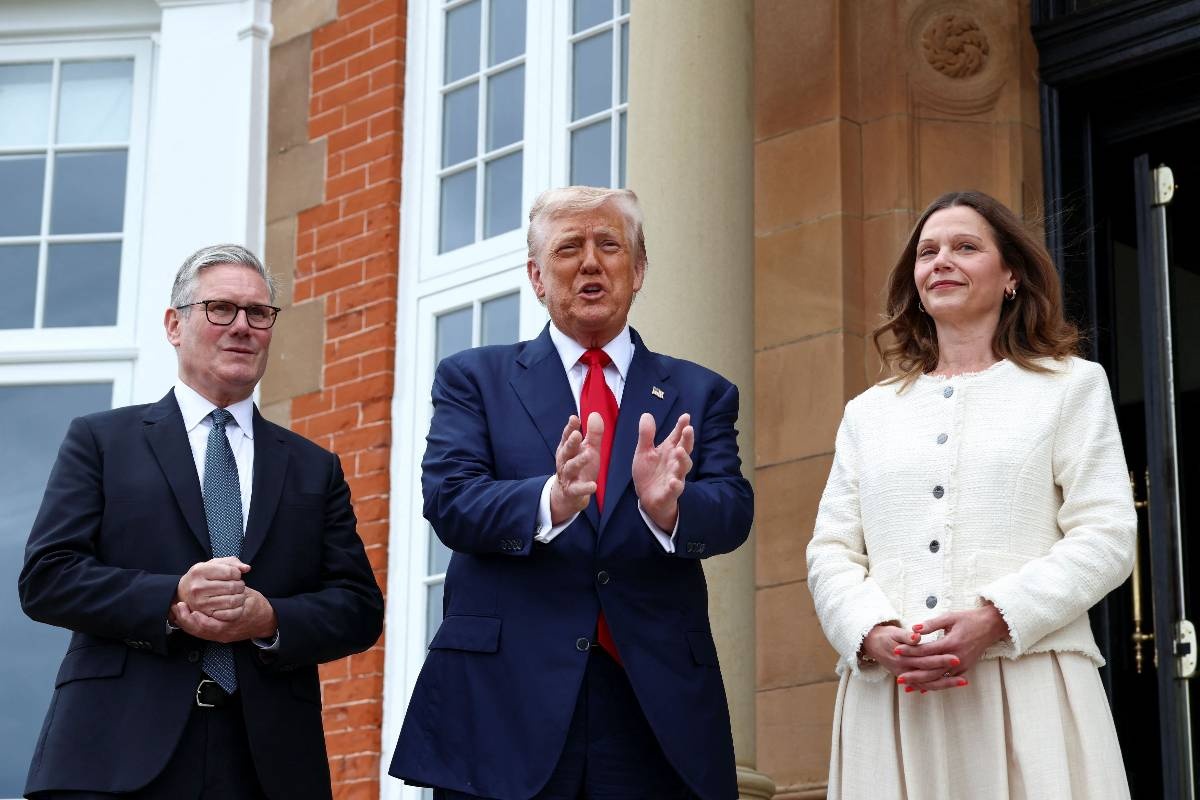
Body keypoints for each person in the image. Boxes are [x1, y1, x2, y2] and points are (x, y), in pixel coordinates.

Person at [389, 186, 753, 800]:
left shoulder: (701, 391)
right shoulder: (474, 378)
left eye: (609, 245)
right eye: (568, 249)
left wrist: (669, 509)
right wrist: (550, 501)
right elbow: (450, 499)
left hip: (652, 705)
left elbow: (733, 510)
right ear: (537, 276)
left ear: (638, 270)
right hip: (505, 705)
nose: (590, 262)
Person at [19, 244, 384, 800]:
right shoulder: (101, 440)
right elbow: (48, 577)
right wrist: (171, 598)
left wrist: (268, 618)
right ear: (175, 324)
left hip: (267, 765)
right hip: (115, 751)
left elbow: (358, 609)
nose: (242, 326)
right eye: (221, 308)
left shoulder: (314, 467)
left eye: (258, 313)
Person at [806, 191, 1136, 799]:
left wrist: (996, 618)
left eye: (965, 247)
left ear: (1012, 276)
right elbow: (831, 550)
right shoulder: (868, 414)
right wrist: (870, 632)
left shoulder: (1071, 387)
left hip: (1029, 687)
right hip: (895, 699)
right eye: (927, 252)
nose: (941, 261)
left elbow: (1107, 534)